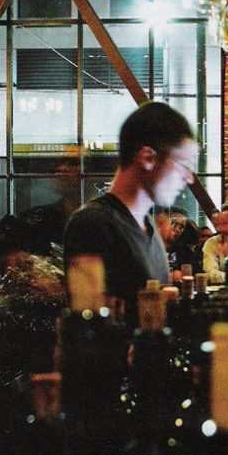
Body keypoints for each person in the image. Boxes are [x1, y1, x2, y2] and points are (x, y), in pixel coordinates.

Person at [63, 102, 197, 322]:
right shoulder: (91, 224)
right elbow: (86, 328)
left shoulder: (149, 225)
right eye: (183, 164)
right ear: (148, 158)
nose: (189, 178)